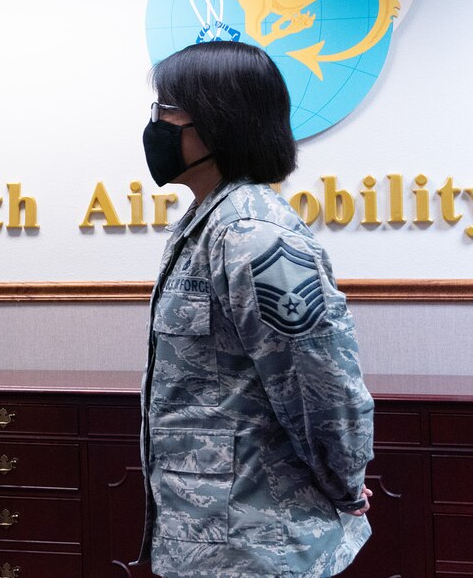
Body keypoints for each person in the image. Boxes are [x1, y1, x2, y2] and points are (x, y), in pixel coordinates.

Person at [134, 41, 375, 577]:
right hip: (211, 535)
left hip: (259, 545)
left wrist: (346, 483)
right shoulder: (208, 222)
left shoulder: (252, 235)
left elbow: (323, 386)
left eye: (167, 109)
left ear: (219, 123)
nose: (156, 125)